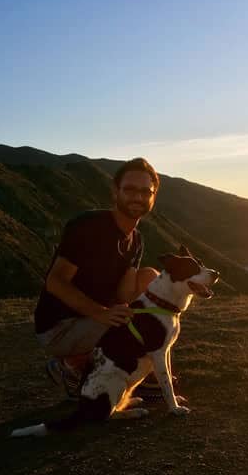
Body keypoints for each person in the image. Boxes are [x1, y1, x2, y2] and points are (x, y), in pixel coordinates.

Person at [33, 157, 160, 398]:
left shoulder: (136, 240)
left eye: (146, 191)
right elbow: (55, 282)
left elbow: (124, 294)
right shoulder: (89, 227)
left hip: (96, 319)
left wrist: (151, 295)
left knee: (150, 278)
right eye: (130, 189)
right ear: (115, 191)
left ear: (153, 197)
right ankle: (70, 367)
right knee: (137, 322)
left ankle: (134, 366)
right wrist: (103, 313)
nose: (138, 197)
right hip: (60, 328)